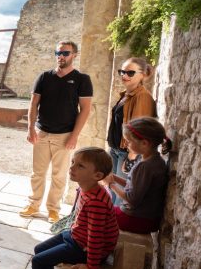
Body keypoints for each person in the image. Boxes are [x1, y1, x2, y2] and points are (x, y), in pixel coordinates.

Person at [10, 147, 118, 269]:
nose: (72, 167)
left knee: (39, 261)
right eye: (73, 162)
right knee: (39, 249)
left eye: (80, 166)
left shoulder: (96, 201)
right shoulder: (88, 188)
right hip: (76, 235)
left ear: (97, 176)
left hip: (83, 247)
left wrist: (91, 266)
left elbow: (96, 236)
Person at [20, 41, 93, 223]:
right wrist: (30, 128)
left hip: (65, 135)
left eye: (65, 53)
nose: (60, 56)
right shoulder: (44, 77)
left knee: (59, 175)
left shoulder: (82, 80)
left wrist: (74, 136)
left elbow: (85, 109)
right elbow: (33, 104)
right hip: (42, 132)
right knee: (37, 173)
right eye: (58, 52)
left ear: (74, 55)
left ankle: (53, 209)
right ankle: (33, 204)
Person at [105, 117, 171, 233]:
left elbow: (132, 198)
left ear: (145, 143)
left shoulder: (145, 166)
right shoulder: (155, 160)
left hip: (136, 219)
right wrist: (114, 177)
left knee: (95, 212)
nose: (126, 144)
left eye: (129, 141)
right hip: (147, 219)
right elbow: (134, 185)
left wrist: (111, 185)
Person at [106, 57, 156, 202]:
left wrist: (131, 156)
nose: (124, 76)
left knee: (120, 199)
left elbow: (139, 129)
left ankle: (116, 225)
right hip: (116, 150)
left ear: (142, 74)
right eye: (122, 72)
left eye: (130, 73)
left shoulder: (142, 97)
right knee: (113, 194)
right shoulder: (126, 95)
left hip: (127, 153)